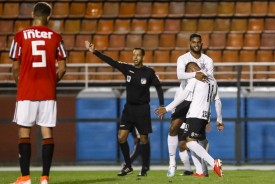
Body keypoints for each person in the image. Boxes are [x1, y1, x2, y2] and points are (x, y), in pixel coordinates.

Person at [85, 41, 164, 177]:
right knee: (121, 137)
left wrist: (162, 105)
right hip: (129, 109)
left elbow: (158, 87)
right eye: (133, 55)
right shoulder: (127, 69)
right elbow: (111, 62)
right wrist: (95, 52)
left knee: (144, 139)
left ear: (143, 57)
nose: (135, 57)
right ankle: (128, 166)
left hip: (142, 109)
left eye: (138, 55)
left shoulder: (149, 72)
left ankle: (145, 167)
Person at [9, 2, 67, 184]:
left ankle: (25, 177)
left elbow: (15, 66)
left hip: (26, 90)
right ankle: (44, 178)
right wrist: (52, 82)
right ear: (49, 17)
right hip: (47, 91)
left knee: (24, 132)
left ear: (33, 13)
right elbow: (63, 68)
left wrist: (19, 83)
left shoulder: (19, 36)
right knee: (47, 131)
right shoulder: (57, 37)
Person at [155, 62, 224, 177]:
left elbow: (183, 96)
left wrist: (166, 109)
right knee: (198, 141)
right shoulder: (213, 80)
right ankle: (200, 171)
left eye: (188, 73)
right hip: (205, 115)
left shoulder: (195, 78)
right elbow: (218, 101)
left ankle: (214, 163)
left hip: (195, 114)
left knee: (190, 142)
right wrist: (219, 119)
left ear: (192, 69)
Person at [166, 33, 214, 177]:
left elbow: (210, 82)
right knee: (174, 126)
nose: (196, 44)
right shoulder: (183, 58)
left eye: (198, 42)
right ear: (189, 43)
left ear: (202, 44)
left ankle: (202, 167)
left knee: (198, 138)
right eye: (193, 42)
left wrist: (209, 115)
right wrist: (195, 75)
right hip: (184, 98)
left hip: (199, 100)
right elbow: (180, 75)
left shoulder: (208, 60)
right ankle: (172, 163)